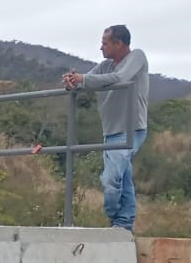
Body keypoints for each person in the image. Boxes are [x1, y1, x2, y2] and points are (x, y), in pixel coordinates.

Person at [63, 25, 149, 231]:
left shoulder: (137, 57)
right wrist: (72, 82)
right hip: (110, 132)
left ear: (118, 43)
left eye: (105, 43)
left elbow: (121, 78)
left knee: (112, 178)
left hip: (131, 129)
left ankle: (114, 215)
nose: (101, 47)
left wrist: (84, 79)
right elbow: (86, 82)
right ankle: (123, 224)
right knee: (122, 178)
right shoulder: (105, 66)